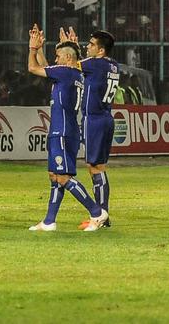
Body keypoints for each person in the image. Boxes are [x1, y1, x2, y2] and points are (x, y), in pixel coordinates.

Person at [24, 24, 109, 232]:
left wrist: (33, 49)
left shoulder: (64, 72)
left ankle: (97, 212)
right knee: (55, 175)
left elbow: (33, 68)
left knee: (63, 177)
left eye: (59, 56)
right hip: (69, 131)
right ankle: (49, 221)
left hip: (61, 132)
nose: (56, 60)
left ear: (69, 59)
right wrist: (49, 49)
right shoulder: (74, 75)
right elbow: (48, 69)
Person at [64, 28, 119, 230]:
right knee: (99, 166)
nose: (88, 47)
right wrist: (77, 49)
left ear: (101, 50)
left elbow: (69, 65)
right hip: (106, 118)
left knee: (94, 167)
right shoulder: (113, 65)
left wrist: (70, 47)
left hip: (94, 119)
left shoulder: (95, 64)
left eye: (92, 44)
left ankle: (101, 214)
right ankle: (103, 214)